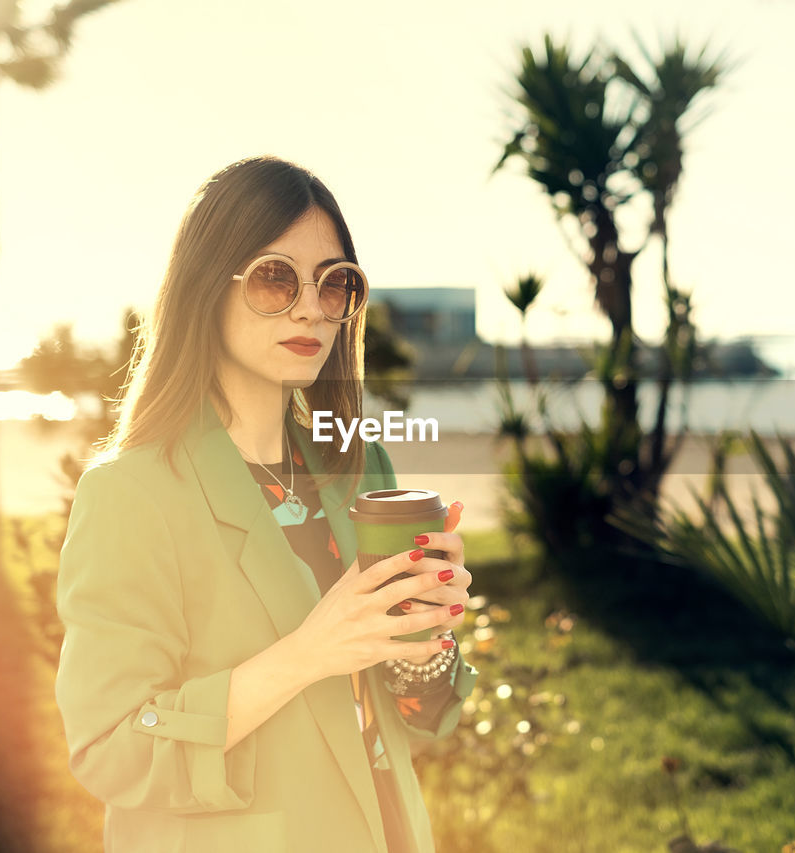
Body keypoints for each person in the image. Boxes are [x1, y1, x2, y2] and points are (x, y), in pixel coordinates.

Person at [54, 155, 478, 853]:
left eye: (335, 283)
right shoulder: (130, 494)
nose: (311, 306)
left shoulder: (359, 466)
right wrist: (309, 653)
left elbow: (415, 714)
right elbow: (109, 747)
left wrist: (427, 627)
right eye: (275, 278)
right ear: (205, 289)